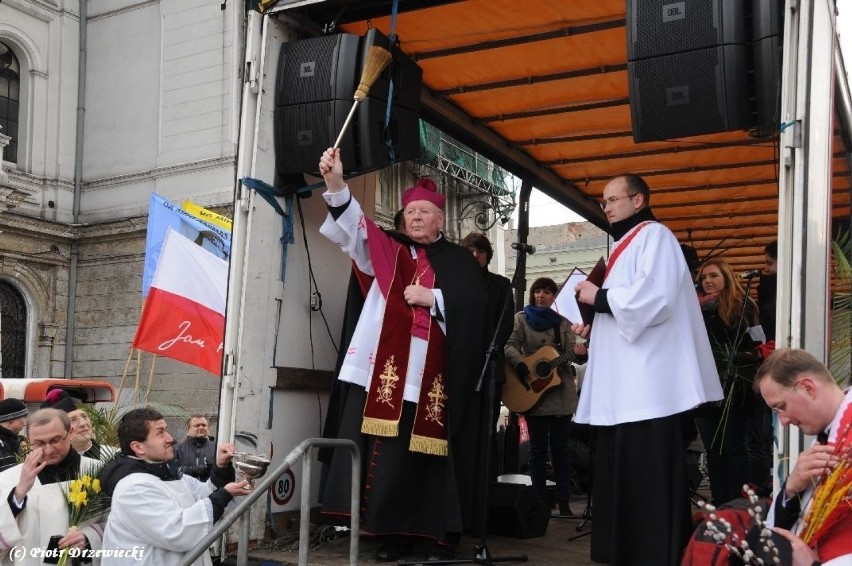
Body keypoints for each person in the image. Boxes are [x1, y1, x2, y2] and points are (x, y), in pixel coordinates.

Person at [317, 147, 488, 562]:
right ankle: (390, 534)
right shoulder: (387, 249)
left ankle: (437, 536)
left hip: (434, 377)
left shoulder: (461, 264)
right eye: (410, 212)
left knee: (424, 459)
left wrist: (434, 297)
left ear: (440, 219)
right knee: (385, 456)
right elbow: (355, 228)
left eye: (425, 212)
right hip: (386, 371)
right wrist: (336, 183)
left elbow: (476, 312)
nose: (415, 218)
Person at [572, 173, 723, 565]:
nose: (606, 207)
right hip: (626, 388)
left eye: (613, 199)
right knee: (621, 469)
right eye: (603, 201)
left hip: (648, 388)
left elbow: (654, 299)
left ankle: (650, 551)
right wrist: (594, 320)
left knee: (646, 472)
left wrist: (598, 296)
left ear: (638, 201)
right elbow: (628, 306)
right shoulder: (627, 243)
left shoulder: (655, 236)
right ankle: (623, 548)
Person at [99, 407, 249, 566]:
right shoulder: (134, 488)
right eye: (160, 432)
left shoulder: (169, 475)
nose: (170, 438)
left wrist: (221, 467)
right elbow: (179, 531)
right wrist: (224, 495)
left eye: (166, 430)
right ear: (138, 447)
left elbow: (203, 495)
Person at [756, 348, 852, 564]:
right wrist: (791, 488)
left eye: (781, 407)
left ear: (808, 388)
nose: (783, 421)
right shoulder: (827, 435)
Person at [504, 277, 587, 516]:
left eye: (547, 292)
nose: (541, 296)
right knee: (538, 451)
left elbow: (574, 352)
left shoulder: (562, 322)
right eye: (537, 291)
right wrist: (520, 365)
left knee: (561, 450)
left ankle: (563, 502)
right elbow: (509, 345)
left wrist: (580, 354)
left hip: (559, 393)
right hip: (532, 392)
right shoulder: (521, 318)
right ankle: (540, 501)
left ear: (554, 297)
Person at [0, 408, 106, 565]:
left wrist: (90, 537)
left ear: (70, 432)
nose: (48, 450)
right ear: (28, 440)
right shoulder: (8, 479)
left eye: (55, 440)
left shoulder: (99, 472)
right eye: (39, 443)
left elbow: (120, 524)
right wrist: (19, 493)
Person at [694, 257, 760, 506]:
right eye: (704, 277)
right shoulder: (697, 309)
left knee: (736, 447)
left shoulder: (744, 305)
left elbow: (758, 342)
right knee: (713, 449)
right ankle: (721, 503)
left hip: (736, 383)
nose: (707, 281)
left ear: (727, 278)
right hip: (706, 385)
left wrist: (743, 357)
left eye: (713, 276)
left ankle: (739, 504)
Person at [460, 232, 513, 481]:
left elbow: (506, 325)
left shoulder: (501, 285)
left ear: (487, 255)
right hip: (461, 364)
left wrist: (487, 348)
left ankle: (488, 482)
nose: (474, 255)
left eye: (479, 251)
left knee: (488, 429)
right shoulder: (455, 282)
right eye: (469, 250)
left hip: (490, 364)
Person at [174, 415, 217, 481]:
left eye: (204, 425)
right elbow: (169, 470)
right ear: (188, 428)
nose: (201, 427)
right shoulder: (177, 449)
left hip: (211, 489)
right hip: (186, 489)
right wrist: (189, 470)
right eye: (197, 425)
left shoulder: (216, 447)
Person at [0, 399, 27, 472]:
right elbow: (9, 475)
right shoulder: (3, 446)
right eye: (24, 417)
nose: (25, 423)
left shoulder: (10, 441)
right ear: (12, 419)